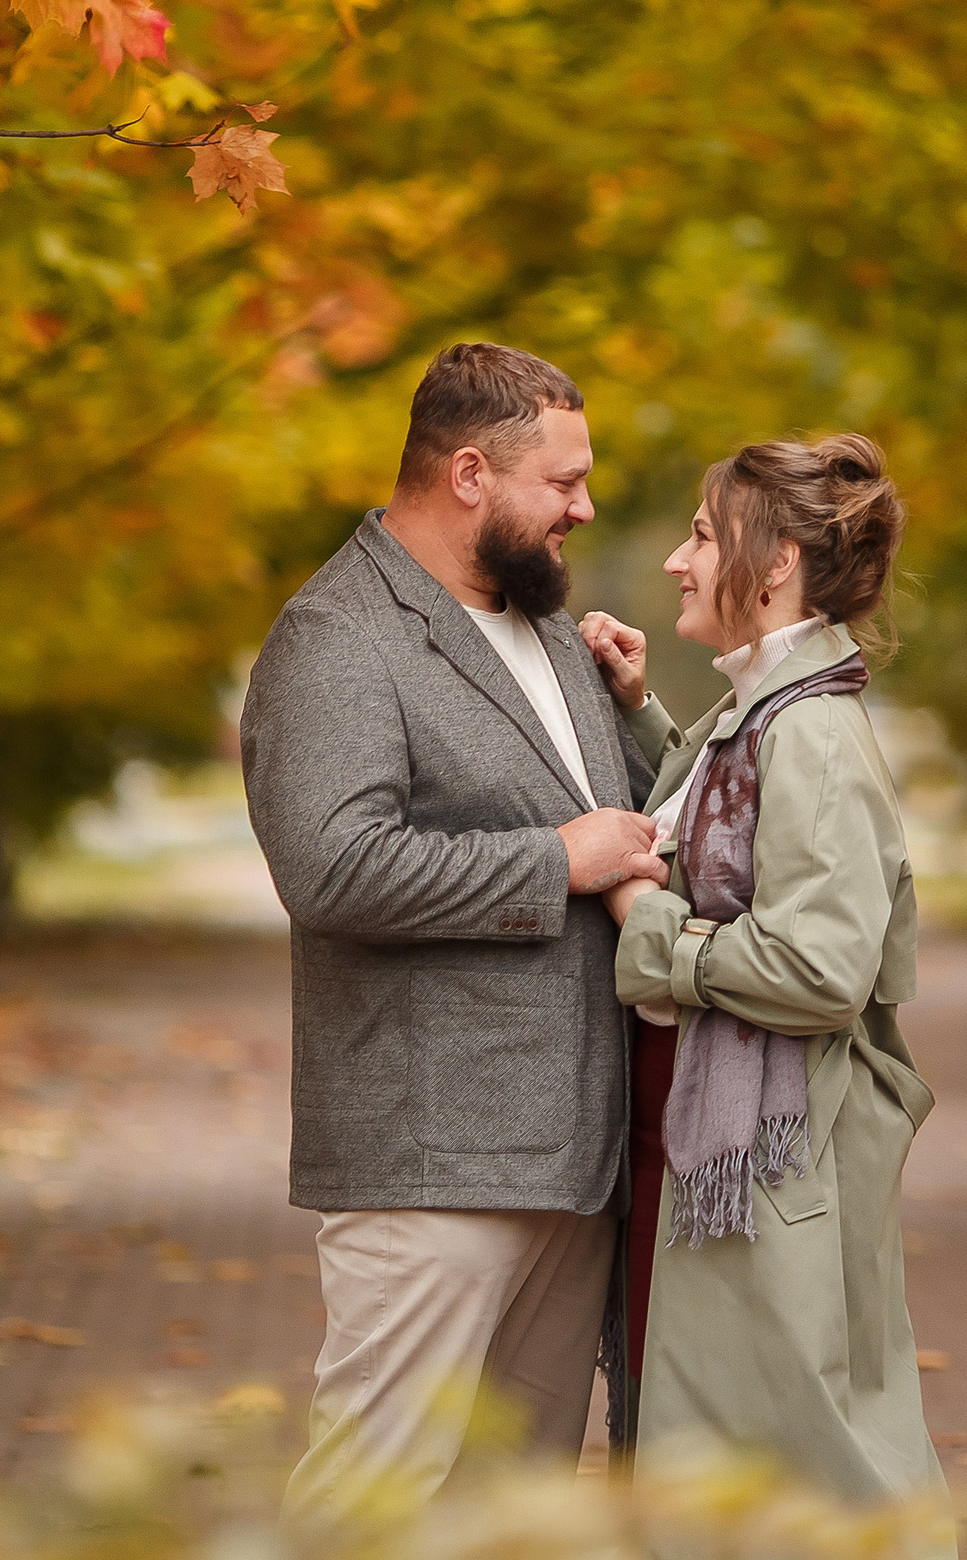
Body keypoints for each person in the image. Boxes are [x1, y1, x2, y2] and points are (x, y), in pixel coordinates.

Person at [240, 342, 671, 1531]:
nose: (584, 508)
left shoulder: (543, 631)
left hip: (569, 1158)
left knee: (514, 1517)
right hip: (431, 1161)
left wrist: (633, 716)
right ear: (470, 473)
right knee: (370, 1511)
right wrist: (554, 863)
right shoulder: (336, 635)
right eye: (563, 482)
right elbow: (331, 868)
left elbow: (623, 823)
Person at [577, 434, 948, 1520]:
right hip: (706, 1135)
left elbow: (821, 967)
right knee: (710, 1463)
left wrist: (646, 926)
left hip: (765, 1157)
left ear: (774, 559)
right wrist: (643, 712)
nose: (677, 563)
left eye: (700, 535)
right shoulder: (762, 713)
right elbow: (722, 836)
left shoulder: (812, 732)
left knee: (793, 1484)